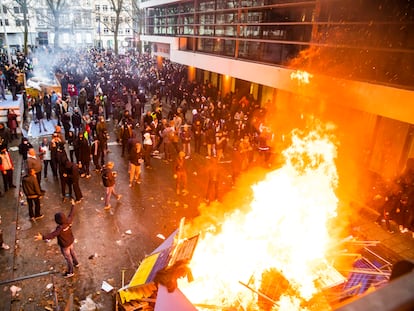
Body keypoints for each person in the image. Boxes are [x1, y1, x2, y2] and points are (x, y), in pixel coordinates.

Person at [34, 199, 80, 278]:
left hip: (64, 245)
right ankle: (77, 263)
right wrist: (73, 205)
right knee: (73, 252)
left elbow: (52, 235)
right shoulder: (68, 221)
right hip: (70, 241)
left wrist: (42, 237)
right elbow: (72, 214)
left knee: (68, 258)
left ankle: (70, 271)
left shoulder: (59, 228)